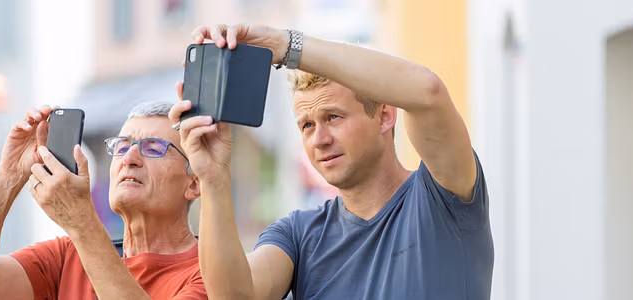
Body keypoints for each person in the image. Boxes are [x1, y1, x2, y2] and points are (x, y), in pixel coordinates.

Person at [169, 24, 493, 299]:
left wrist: (286, 46)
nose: (319, 139)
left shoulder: (441, 197)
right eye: (307, 125)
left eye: (333, 117)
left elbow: (427, 91)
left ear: (385, 115)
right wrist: (213, 179)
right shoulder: (298, 234)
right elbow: (236, 295)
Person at [0, 102, 208, 300]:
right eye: (122, 147)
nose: (129, 158)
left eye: (153, 148)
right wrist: (8, 176)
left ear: (194, 183)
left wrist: (81, 222)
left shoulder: (211, 275)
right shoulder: (68, 255)